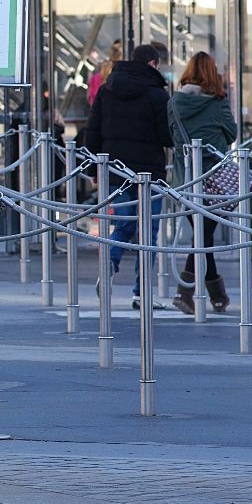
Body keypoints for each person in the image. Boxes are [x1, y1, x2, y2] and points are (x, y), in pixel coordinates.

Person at [82, 43, 173, 307]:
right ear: (153, 64)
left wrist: (92, 169)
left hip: (115, 170)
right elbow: (165, 137)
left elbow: (93, 130)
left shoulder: (107, 90)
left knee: (123, 224)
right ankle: (141, 293)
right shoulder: (157, 95)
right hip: (149, 172)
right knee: (149, 232)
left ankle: (109, 263)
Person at [169, 51, 237, 314]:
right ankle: (187, 294)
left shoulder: (175, 102)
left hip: (184, 181)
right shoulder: (218, 102)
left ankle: (216, 295)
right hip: (215, 180)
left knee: (202, 236)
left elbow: (171, 135)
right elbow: (232, 133)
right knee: (203, 236)